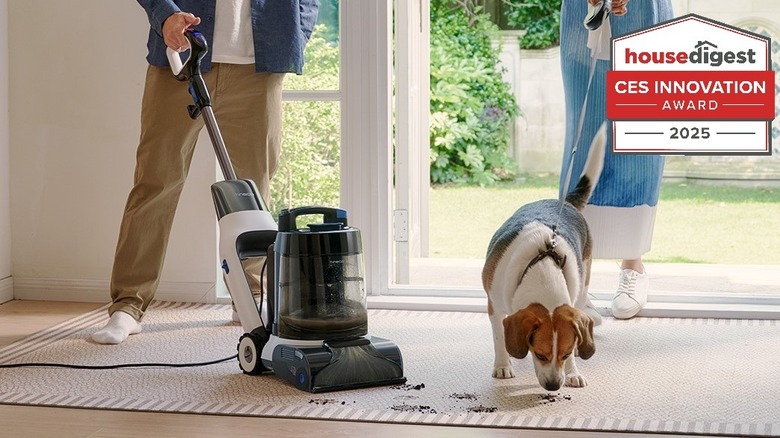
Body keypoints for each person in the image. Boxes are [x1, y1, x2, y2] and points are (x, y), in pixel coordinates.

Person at [92, 0, 319, 344]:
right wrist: (165, 15)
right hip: (183, 55)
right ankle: (128, 305)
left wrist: (295, 35)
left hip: (260, 62)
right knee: (156, 182)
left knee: (253, 190)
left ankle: (251, 298)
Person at [559, 0, 673, 320]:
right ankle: (577, 273)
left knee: (639, 131)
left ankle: (632, 263)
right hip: (583, 12)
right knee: (583, 133)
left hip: (645, 10)